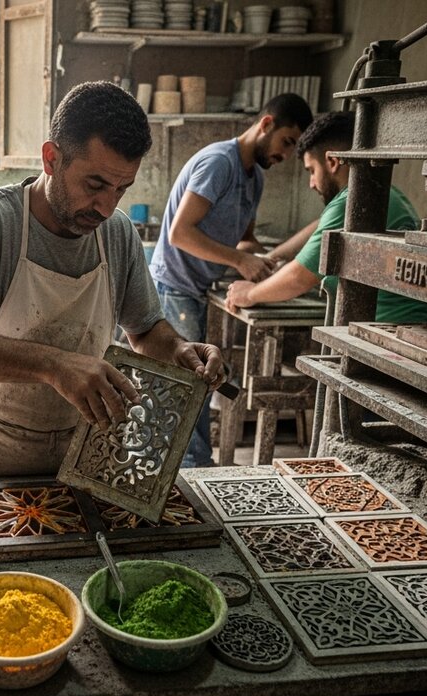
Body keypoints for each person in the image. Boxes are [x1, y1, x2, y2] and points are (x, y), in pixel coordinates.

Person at [0, 81, 227, 478]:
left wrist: (179, 349)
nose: (106, 206)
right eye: (95, 185)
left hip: (86, 448)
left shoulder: (118, 233)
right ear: (51, 159)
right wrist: (53, 365)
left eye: (121, 189)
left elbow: (147, 329)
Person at [148, 93, 312, 467]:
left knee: (201, 384)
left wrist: (263, 262)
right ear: (266, 124)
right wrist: (240, 260)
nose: (286, 155)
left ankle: (196, 467)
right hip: (174, 287)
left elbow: (244, 241)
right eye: (286, 142)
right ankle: (190, 474)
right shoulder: (218, 163)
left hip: (199, 291)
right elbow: (180, 233)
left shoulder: (254, 180)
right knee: (186, 390)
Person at [225, 111, 427, 325]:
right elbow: (320, 226)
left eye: (311, 170)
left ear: (332, 161)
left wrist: (250, 293)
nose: (311, 183)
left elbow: (298, 278)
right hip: (412, 322)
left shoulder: (351, 202)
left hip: (387, 329)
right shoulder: (383, 193)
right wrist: (272, 257)